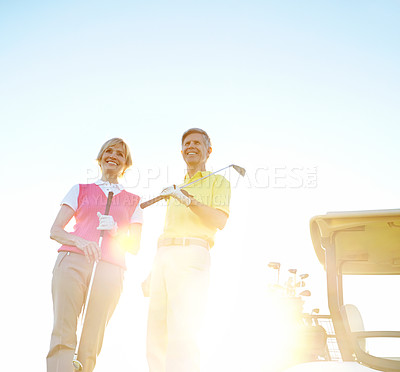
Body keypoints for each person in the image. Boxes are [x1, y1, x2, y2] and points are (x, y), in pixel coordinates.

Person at [47, 138, 143, 372]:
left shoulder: (134, 201)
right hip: (72, 261)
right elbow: (55, 230)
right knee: (64, 332)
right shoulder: (79, 189)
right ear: (100, 159)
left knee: (91, 341)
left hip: (110, 269)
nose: (113, 155)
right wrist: (80, 240)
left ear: (126, 163)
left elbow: (135, 246)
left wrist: (116, 231)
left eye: (120, 153)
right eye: (108, 151)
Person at [146, 128, 231, 372]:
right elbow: (167, 232)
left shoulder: (218, 181)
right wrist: (153, 271)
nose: (191, 146)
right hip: (163, 257)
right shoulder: (175, 187)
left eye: (197, 143)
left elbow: (219, 220)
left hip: (192, 254)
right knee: (156, 334)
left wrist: (189, 200)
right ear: (182, 151)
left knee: (182, 331)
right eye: (187, 144)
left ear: (208, 150)